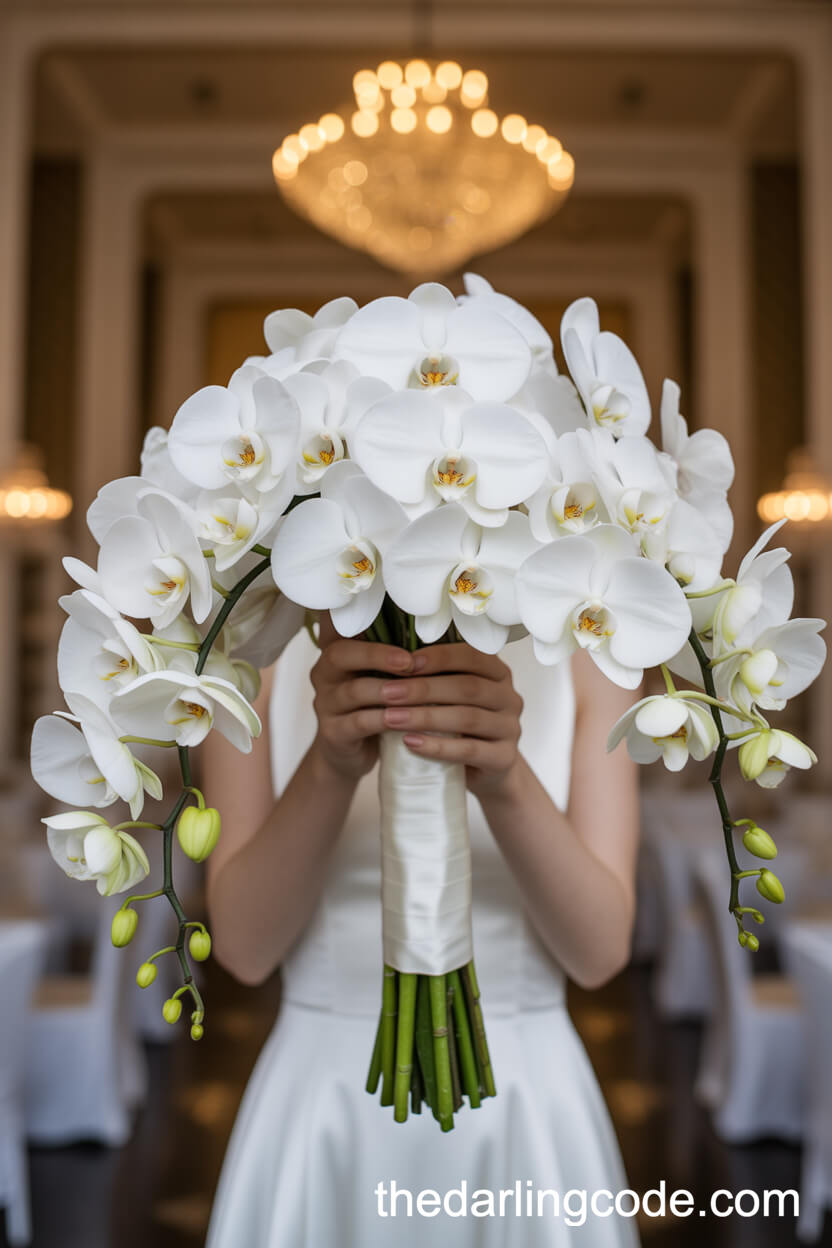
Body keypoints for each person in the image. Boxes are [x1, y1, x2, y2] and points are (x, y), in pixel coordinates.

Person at [203, 611, 641, 1247]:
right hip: (325, 1101)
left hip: (524, 1103)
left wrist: (506, 779)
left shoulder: (591, 637)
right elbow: (244, 950)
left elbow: (600, 953)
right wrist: (329, 765)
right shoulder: (251, 640)